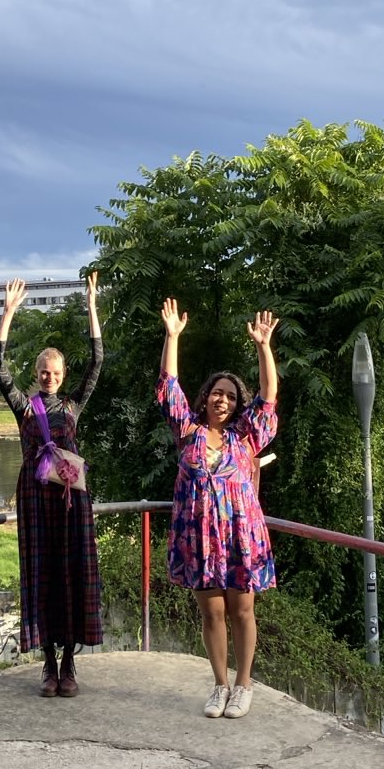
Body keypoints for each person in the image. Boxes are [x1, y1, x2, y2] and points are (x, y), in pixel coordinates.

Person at [157, 299, 279, 719]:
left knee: (242, 610)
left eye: (229, 396)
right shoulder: (188, 432)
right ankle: (219, 685)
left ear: (236, 403)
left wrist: (264, 347)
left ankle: (244, 685)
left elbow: (268, 398)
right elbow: (168, 385)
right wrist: (172, 337)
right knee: (211, 612)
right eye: (215, 393)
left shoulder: (247, 437)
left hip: (239, 537)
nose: (221, 400)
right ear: (205, 398)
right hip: (198, 537)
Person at [0, 274, 103, 696]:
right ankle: (49, 664)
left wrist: (91, 306)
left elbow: (97, 363)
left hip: (71, 502)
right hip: (37, 501)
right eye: (42, 371)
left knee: (72, 574)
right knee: (42, 575)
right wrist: (8, 314)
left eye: (54, 371)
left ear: (62, 373)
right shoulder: (24, 407)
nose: (48, 376)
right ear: (37, 374)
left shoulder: (73, 406)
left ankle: (70, 663)